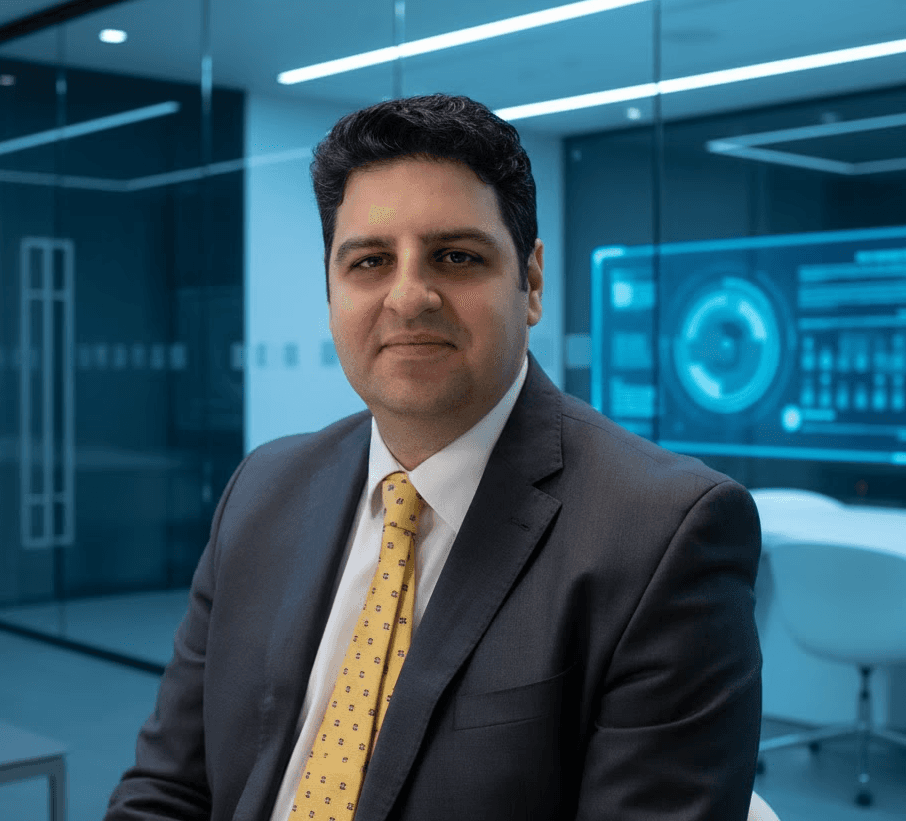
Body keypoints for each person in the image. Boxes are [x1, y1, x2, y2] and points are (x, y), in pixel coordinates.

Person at [105, 94, 762, 821]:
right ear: (331, 290)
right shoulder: (262, 490)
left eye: (456, 256)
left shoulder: (663, 535)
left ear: (532, 282)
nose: (409, 296)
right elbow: (167, 790)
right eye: (370, 261)